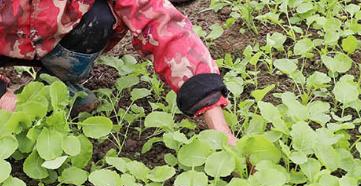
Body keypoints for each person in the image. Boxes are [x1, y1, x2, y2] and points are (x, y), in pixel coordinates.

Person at [0, 0, 236, 145]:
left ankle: (54, 86)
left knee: (101, 19)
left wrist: (219, 127)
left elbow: (162, 23)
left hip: (49, 36)